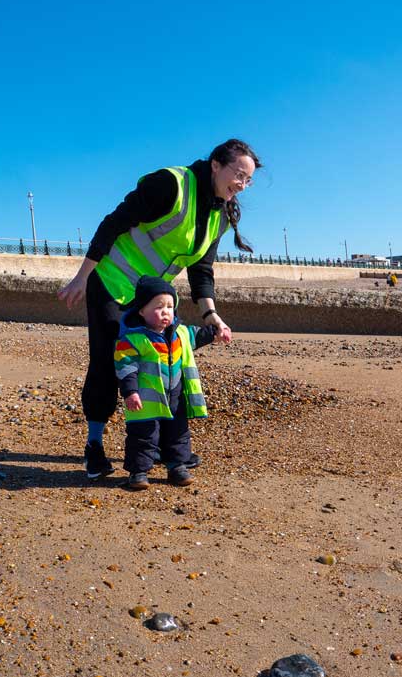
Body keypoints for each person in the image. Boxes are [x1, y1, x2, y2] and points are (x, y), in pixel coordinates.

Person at [58, 138, 261, 479]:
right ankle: (94, 445)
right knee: (111, 359)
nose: (241, 185)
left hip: (150, 297)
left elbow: (202, 270)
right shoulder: (172, 184)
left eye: (248, 180)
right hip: (111, 279)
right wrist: (82, 276)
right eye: (238, 174)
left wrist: (211, 314)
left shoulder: (221, 216)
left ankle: (158, 448)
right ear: (215, 165)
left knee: (162, 363)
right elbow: (115, 221)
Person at [116, 276, 217, 489]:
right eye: (159, 306)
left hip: (176, 397)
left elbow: (198, 335)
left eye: (170, 306)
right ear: (141, 311)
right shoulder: (133, 339)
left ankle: (177, 467)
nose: (166, 312)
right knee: (143, 436)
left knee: (178, 433)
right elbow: (125, 367)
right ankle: (138, 472)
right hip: (146, 402)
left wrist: (216, 331)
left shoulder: (180, 333)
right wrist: (130, 392)